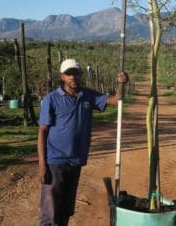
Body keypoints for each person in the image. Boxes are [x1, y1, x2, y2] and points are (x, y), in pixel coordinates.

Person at [38, 58, 128, 226]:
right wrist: (42, 164)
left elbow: (116, 100)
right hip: (55, 161)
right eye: (69, 74)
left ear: (80, 75)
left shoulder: (88, 95)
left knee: (66, 210)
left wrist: (122, 83)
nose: (73, 77)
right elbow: (43, 131)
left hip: (76, 161)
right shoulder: (52, 98)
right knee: (50, 214)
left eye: (76, 73)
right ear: (62, 77)